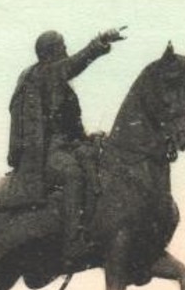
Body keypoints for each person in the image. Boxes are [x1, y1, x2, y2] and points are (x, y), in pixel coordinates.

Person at [8, 27, 126, 271]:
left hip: (67, 146)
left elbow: (70, 127)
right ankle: (72, 243)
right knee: (72, 173)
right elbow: (74, 64)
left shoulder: (57, 84)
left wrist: (89, 138)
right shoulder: (45, 74)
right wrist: (99, 43)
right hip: (47, 154)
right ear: (51, 53)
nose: (66, 51)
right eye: (62, 48)